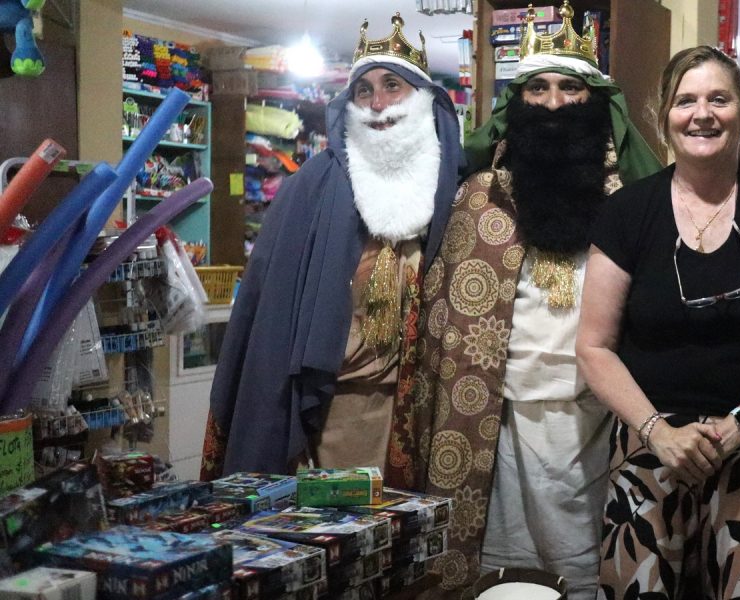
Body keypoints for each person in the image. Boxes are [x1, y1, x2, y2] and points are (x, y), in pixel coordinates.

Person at [387, 2, 661, 597]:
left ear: (594, 100)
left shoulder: (632, 203)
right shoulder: (478, 197)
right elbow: (444, 323)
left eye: (569, 88)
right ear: (517, 103)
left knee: (594, 567)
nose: (555, 104)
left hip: (600, 418)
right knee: (506, 571)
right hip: (499, 420)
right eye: (538, 88)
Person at [576, 45, 740, 599]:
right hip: (651, 441)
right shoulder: (626, 213)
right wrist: (658, 433)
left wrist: (739, 425)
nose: (702, 114)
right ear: (663, 116)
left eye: (719, 99)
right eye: (685, 101)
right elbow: (593, 347)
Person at [200, 12, 462, 479]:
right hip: (330, 411)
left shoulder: (453, 193)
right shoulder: (311, 188)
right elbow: (271, 311)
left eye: (392, 86)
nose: (378, 104)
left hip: (422, 412)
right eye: (364, 90)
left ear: (422, 98)